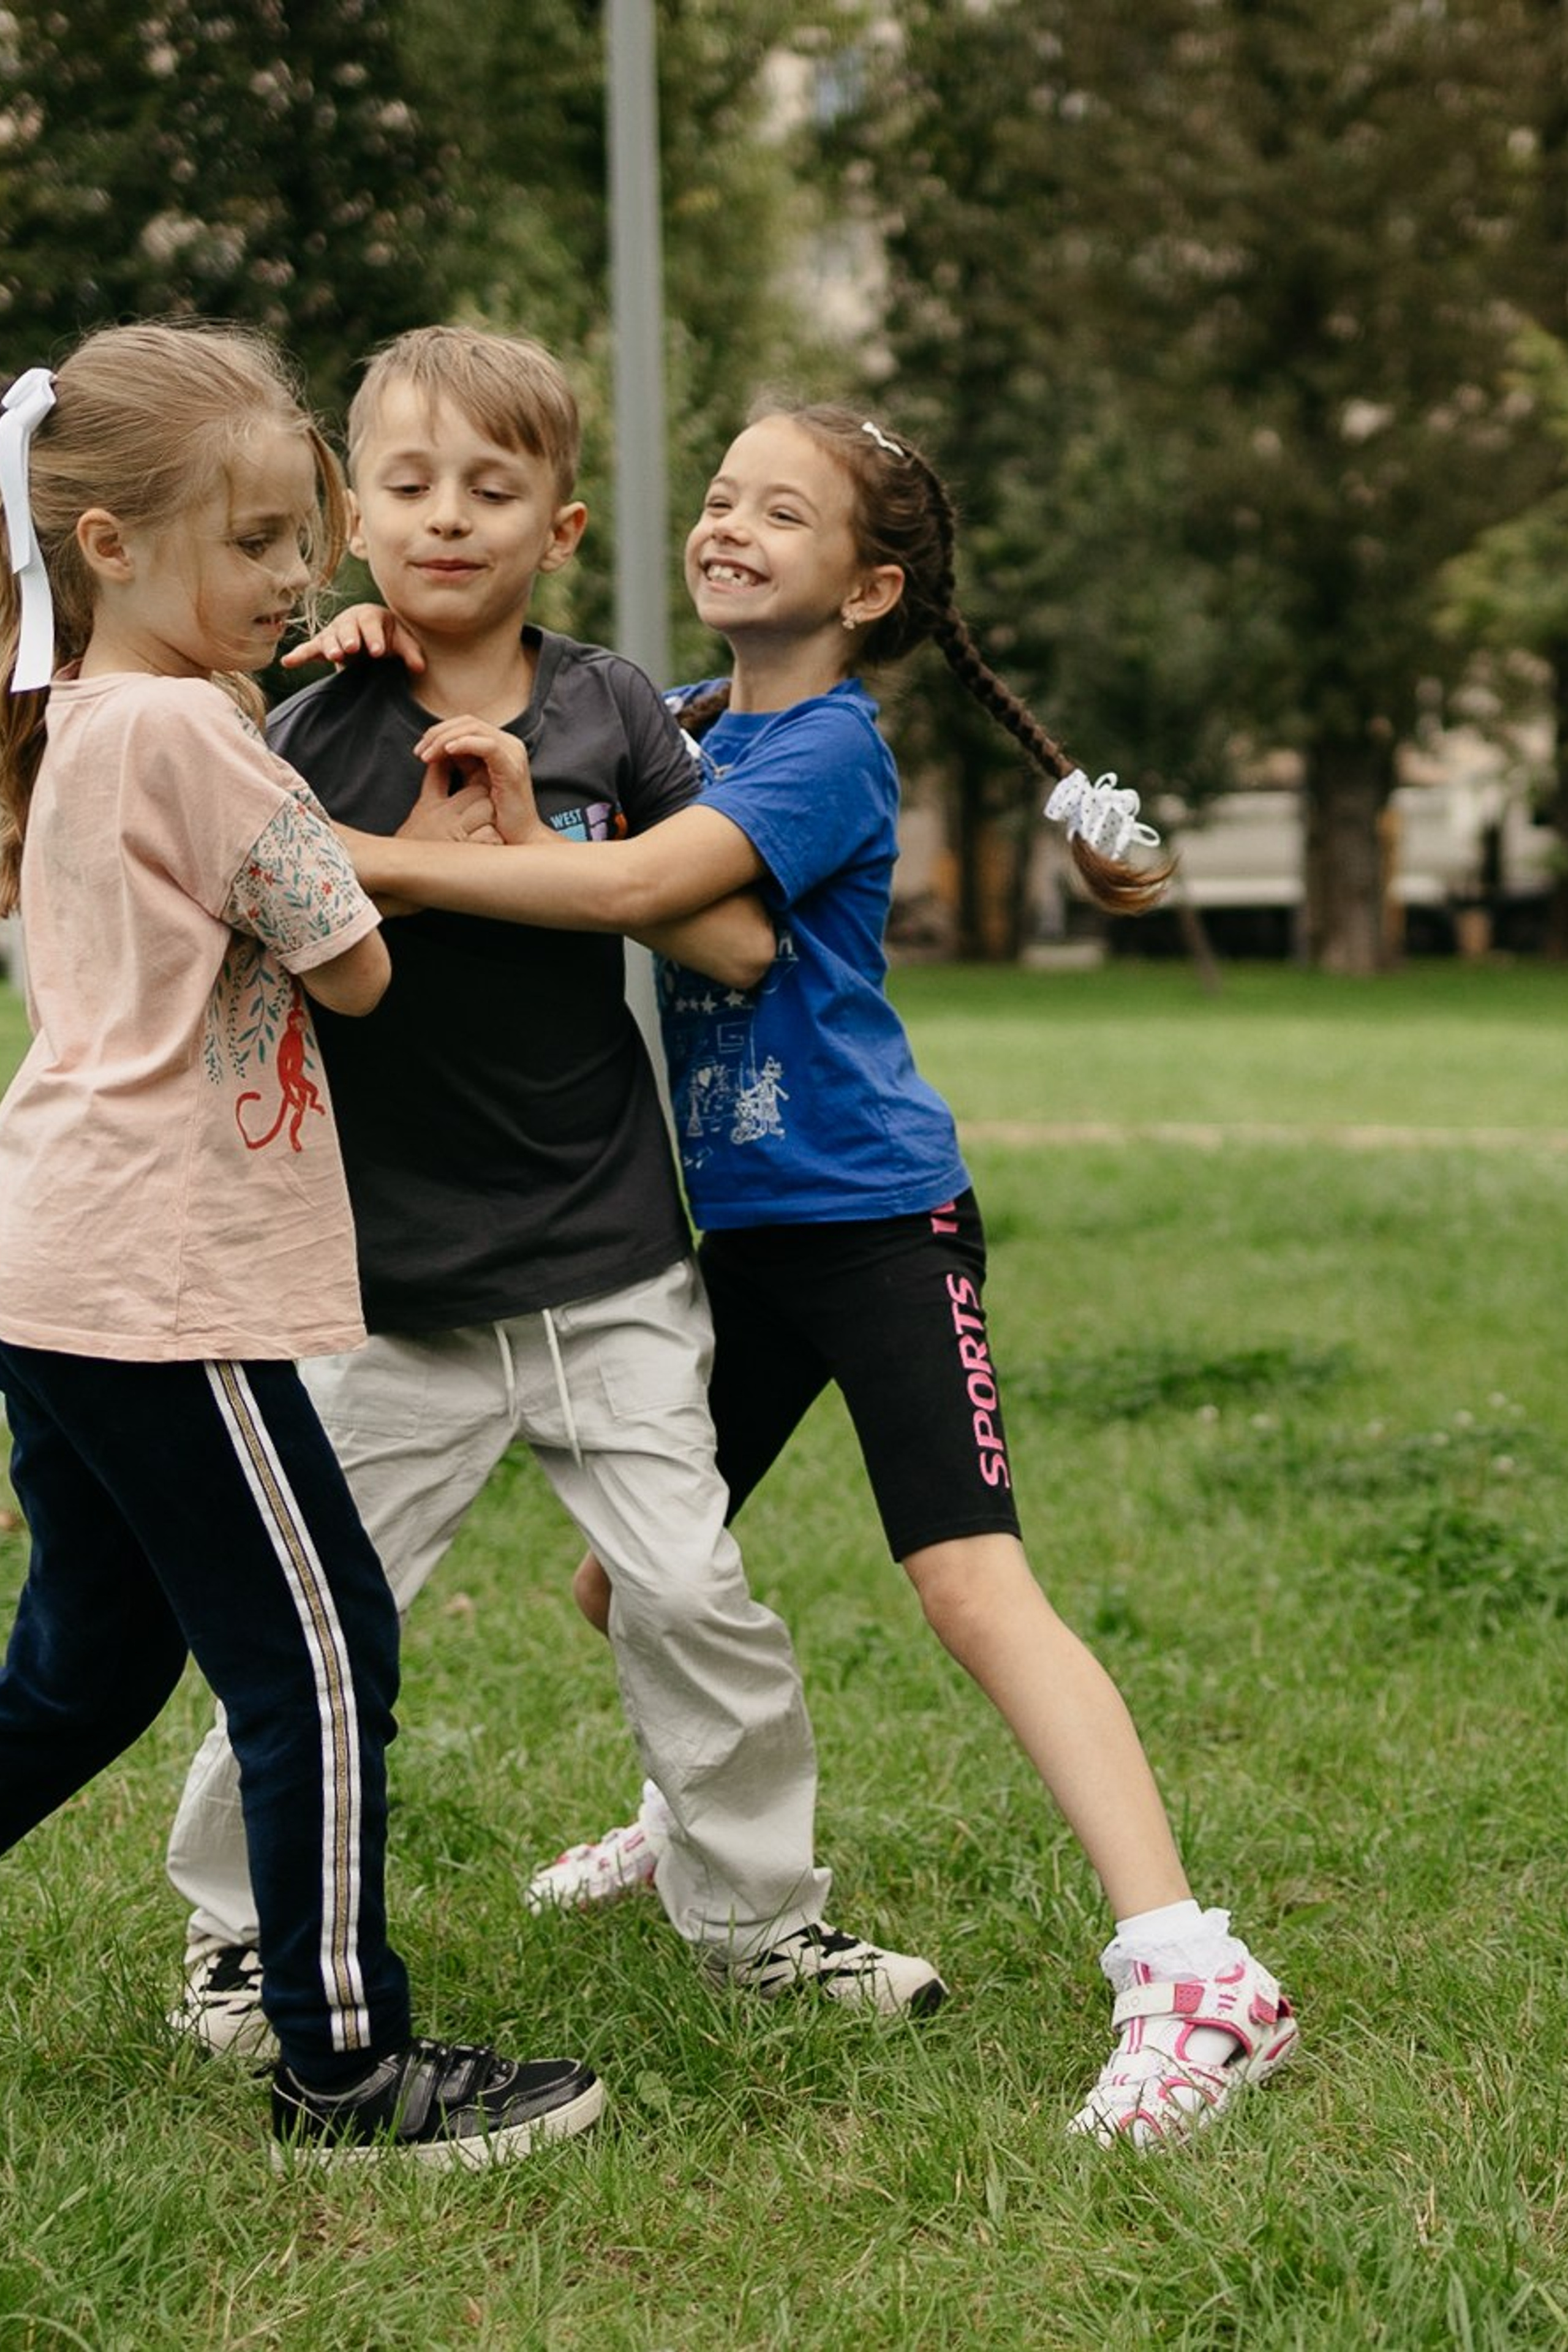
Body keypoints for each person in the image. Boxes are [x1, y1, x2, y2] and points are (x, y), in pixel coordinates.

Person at [327, 400, 1301, 2148]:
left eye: (782, 514)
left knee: (970, 1586)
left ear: (866, 591)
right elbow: (553, 748)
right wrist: (374, 640)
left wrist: (372, 863)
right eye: (719, 498)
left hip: (875, 1223)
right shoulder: (683, 717)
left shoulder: (825, 752)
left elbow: (645, 878)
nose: (728, 527)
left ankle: (1194, 1969)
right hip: (743, 1236)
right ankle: (703, 1827)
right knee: (626, 1593)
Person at [165, 328, 944, 2065]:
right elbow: (254, 945)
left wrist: (538, 853)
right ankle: (238, 1940)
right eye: (415, 488)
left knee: (694, 1598)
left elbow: (736, 936)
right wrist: (419, 866)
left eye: (495, 490)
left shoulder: (612, 711)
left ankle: (761, 1923)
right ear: (356, 518)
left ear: (563, 527)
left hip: (607, 1269)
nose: (452, 519)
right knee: (311, 1632)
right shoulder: (307, 722)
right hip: (384, 1294)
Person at [0, 321, 604, 2168]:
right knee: (323, 1649)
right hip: (168, 1277)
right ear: (107, 542)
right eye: (258, 540)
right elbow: (355, 965)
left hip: (55, 1266)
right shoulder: (196, 727)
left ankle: (334, 2045)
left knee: (86, 1669)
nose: (295, 577)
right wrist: (385, 839)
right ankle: (346, 2066)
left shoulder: (80, 720)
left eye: (298, 540)